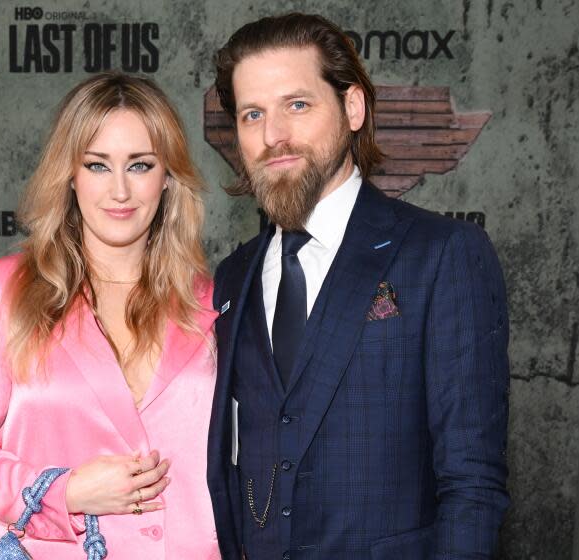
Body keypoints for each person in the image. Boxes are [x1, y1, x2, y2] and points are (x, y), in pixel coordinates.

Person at [207, 13, 510, 560]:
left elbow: (473, 486)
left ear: (352, 108)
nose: (273, 135)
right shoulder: (232, 277)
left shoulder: (441, 255)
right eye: (253, 114)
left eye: (297, 105)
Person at [0, 72, 221, 559]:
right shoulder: (3, 291)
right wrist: (63, 492)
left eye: (141, 165)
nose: (121, 191)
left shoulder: (213, 301)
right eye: (98, 165)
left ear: (168, 177)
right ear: (70, 172)